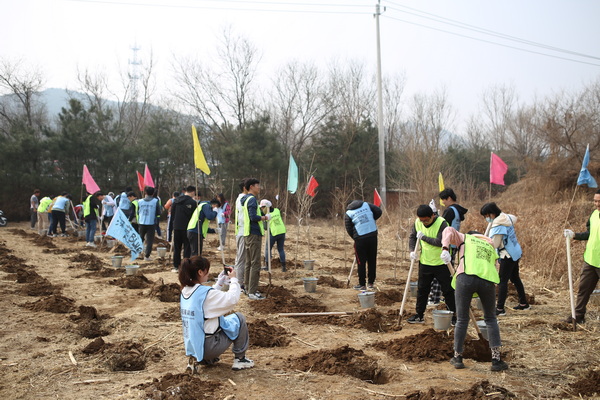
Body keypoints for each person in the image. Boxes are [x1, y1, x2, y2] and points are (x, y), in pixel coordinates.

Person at [441, 227, 508, 372]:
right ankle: (496, 360)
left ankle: (458, 357)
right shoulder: (490, 245)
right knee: (490, 319)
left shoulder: (465, 238)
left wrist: (445, 248)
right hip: (487, 280)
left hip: (465, 277)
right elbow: (497, 265)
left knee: (462, 319)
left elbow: (448, 230)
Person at [179, 256, 254, 372]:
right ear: (200, 272)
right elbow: (232, 299)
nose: (208, 273)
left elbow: (207, 299)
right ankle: (240, 359)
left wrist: (219, 283)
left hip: (195, 347)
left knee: (216, 322)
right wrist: (234, 280)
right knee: (239, 318)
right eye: (206, 271)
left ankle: (203, 360)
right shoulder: (205, 294)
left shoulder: (185, 291)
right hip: (209, 347)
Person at [407, 204, 456, 324]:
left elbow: (440, 242)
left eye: (426, 220)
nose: (424, 223)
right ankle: (419, 315)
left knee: (448, 290)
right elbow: (413, 237)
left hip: (442, 262)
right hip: (425, 262)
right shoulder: (418, 222)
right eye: (421, 220)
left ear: (433, 215)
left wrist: (423, 237)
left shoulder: (442, 224)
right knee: (422, 289)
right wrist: (412, 250)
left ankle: (455, 315)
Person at [480, 202, 529, 316]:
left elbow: (496, 244)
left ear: (492, 214)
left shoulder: (499, 225)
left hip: (508, 255)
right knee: (515, 278)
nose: (486, 218)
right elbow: (514, 218)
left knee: (502, 281)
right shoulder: (506, 218)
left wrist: (485, 244)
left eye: (486, 216)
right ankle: (523, 303)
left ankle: (500, 308)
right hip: (515, 251)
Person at [563, 189, 600, 324]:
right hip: (591, 259)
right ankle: (578, 316)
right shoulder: (594, 214)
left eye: (599, 201)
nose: (597, 204)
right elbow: (590, 233)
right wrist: (575, 235)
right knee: (583, 290)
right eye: (595, 201)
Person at [428, 189, 469, 306]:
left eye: (444, 200)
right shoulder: (457, 210)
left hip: (447, 245)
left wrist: (434, 213)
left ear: (449, 198)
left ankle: (435, 297)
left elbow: (441, 224)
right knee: (449, 271)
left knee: (441, 271)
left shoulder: (450, 211)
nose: (443, 202)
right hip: (454, 243)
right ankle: (447, 295)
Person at [345, 199, 382, 290]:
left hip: (360, 238)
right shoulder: (366, 204)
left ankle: (362, 284)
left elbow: (348, 228)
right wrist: (371, 219)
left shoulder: (348, 213)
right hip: (372, 234)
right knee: (372, 260)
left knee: (361, 262)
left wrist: (355, 237)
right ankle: (371, 283)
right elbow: (379, 211)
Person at [241, 178, 269, 300]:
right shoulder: (252, 199)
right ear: (251, 186)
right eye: (258, 185)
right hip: (253, 234)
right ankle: (252, 291)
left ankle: (247, 288)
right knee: (255, 263)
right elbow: (253, 217)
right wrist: (265, 217)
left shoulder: (245, 199)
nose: (259, 187)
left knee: (248, 262)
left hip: (247, 233)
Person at [169, 186, 198, 273]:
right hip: (187, 228)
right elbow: (195, 217)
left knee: (177, 247)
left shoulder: (176, 201)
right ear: (193, 192)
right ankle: (185, 267)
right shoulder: (193, 203)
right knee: (187, 247)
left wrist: (171, 228)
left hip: (177, 227)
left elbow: (172, 215)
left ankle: (176, 266)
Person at [260, 199, 288, 272]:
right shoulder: (277, 210)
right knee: (281, 249)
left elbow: (265, 227)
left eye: (262, 208)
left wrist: (264, 219)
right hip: (282, 231)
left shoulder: (266, 215)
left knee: (267, 248)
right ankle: (283, 267)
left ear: (266, 207)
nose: (261, 209)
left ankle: (267, 266)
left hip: (274, 233)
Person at [138, 187, 162, 261]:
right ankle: (147, 256)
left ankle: (138, 253)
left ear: (145, 193)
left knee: (140, 239)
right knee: (149, 241)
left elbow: (137, 211)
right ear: (153, 193)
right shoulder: (155, 201)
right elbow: (158, 212)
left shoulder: (140, 201)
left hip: (141, 222)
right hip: (151, 223)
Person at [234, 180, 248, 292]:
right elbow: (243, 217)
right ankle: (239, 284)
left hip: (244, 232)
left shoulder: (243, 198)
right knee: (241, 259)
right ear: (245, 187)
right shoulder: (242, 199)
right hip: (243, 232)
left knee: (242, 258)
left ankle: (239, 281)